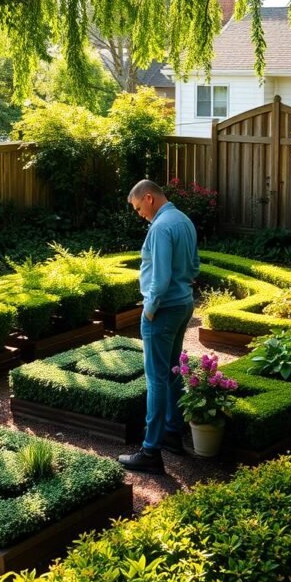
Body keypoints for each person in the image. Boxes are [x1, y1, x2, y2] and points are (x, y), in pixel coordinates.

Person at [118, 179, 199, 474]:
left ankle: (150, 451)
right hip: (183, 305)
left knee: (156, 379)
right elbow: (194, 267)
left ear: (149, 198)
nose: (139, 213)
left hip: (162, 310)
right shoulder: (184, 220)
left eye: (139, 207)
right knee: (172, 371)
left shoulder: (162, 227)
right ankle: (172, 435)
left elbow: (160, 278)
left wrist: (149, 309)